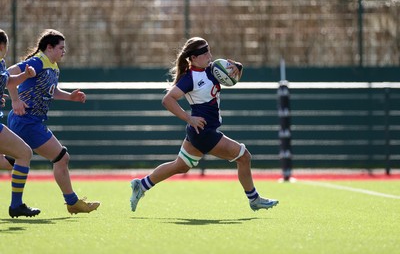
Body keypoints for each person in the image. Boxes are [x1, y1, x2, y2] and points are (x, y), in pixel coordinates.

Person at [130, 37, 279, 212]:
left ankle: (142, 185)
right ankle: (254, 199)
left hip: (200, 131)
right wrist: (189, 118)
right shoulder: (190, 78)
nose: (209, 55)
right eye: (204, 53)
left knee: (180, 166)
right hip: (204, 132)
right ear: (193, 58)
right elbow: (167, 100)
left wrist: (238, 67)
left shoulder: (212, 69)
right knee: (244, 156)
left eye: (209, 50)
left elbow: (233, 77)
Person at [7, 29, 100, 215]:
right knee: (61, 157)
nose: (64, 51)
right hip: (26, 121)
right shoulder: (38, 61)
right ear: (49, 47)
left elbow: (52, 91)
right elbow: (8, 76)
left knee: (14, 159)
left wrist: (70, 97)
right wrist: (15, 100)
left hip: (30, 121)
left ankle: (19, 205)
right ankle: (72, 202)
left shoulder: (53, 65)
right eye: (61, 48)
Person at [0, 29, 40, 218]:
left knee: (5, 160)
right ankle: (16, 205)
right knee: (24, 153)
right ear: (2, 47)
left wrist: (24, 75)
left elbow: (9, 80)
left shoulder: (1, 63)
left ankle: (17, 205)